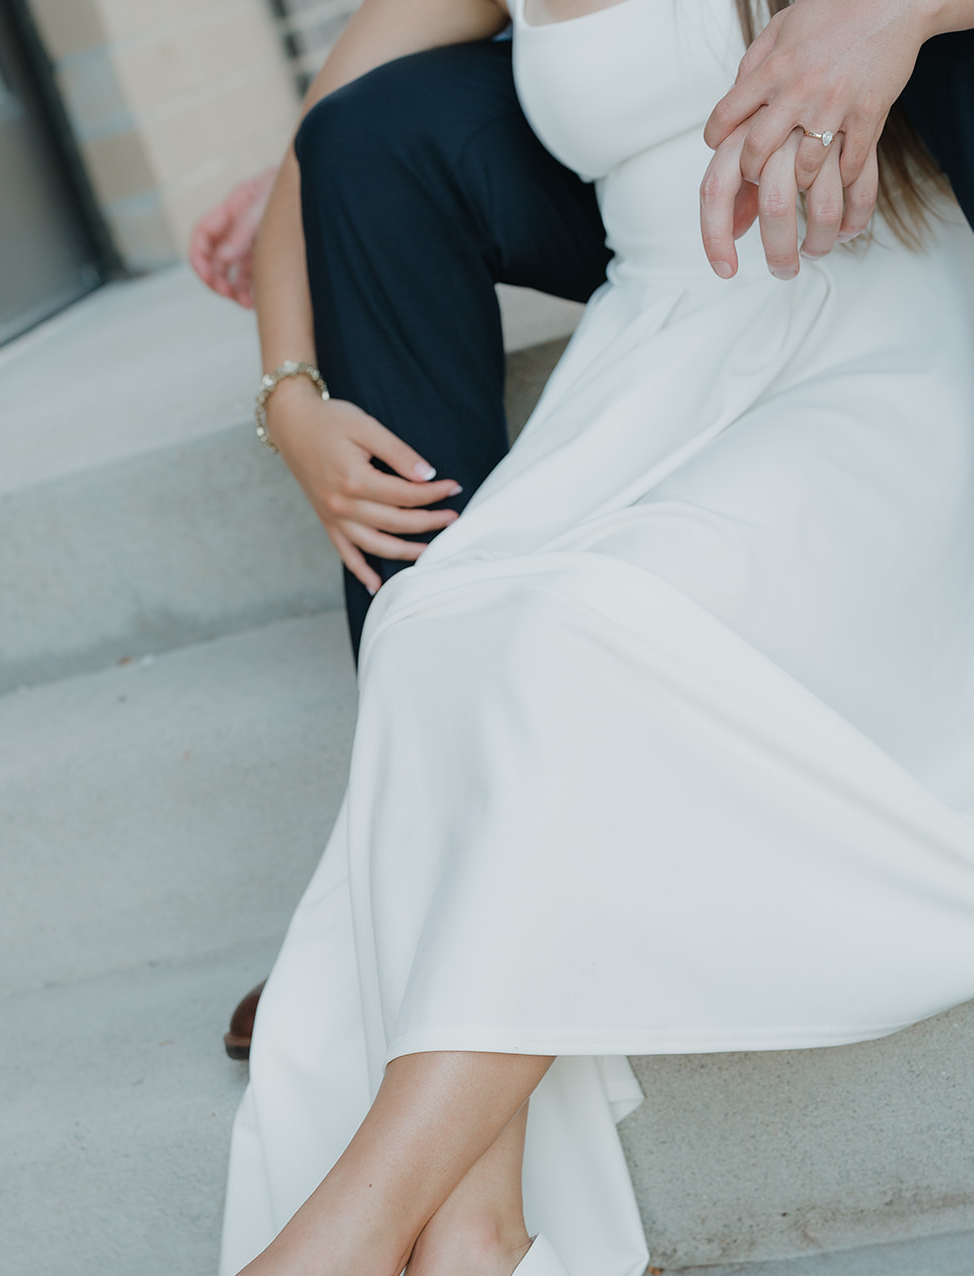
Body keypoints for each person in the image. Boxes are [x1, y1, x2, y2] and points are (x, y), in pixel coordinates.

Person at [41, 0, 974, 1276]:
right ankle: (471, 1260)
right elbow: (322, 138)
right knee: (434, 630)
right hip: (654, 352)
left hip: (878, 333)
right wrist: (288, 402)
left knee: (581, 625)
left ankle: (320, 1274)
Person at [202, 1, 974, 1062]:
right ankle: (412, 866)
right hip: (665, 287)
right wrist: (290, 397)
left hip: (887, 256)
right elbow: (328, 127)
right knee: (374, 137)